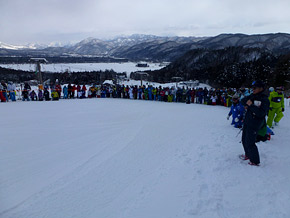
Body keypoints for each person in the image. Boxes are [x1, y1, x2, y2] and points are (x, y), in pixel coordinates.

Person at [240, 80, 269, 166]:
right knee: (244, 140)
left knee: (250, 142)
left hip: (254, 123)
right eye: (252, 88)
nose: (253, 89)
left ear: (261, 88)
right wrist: (248, 103)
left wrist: (251, 105)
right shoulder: (253, 96)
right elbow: (243, 101)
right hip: (247, 121)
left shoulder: (264, 99)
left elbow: (261, 113)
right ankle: (248, 155)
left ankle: (255, 161)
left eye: (255, 88)